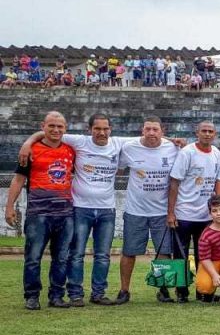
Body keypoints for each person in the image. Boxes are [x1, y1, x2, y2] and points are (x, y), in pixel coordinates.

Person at [16, 113, 133, 306]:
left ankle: (98, 293)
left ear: (110, 130)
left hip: (106, 209)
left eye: (105, 129)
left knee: (103, 255)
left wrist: (172, 140)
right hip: (80, 208)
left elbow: (148, 137)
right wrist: (28, 142)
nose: (101, 132)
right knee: (76, 254)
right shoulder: (79, 141)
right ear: (89, 130)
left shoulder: (118, 143)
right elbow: (48, 132)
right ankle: (75, 294)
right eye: (97, 129)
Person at [6, 112, 75, 310]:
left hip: (65, 214)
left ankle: (56, 296)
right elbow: (18, 180)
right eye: (51, 126)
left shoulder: (71, 150)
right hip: (38, 214)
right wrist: (9, 207)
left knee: (61, 258)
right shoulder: (30, 151)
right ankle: (32, 296)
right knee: (33, 257)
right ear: (42, 126)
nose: (55, 130)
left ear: (66, 128)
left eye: (60, 127)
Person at [117, 116, 180, 304]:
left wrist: (171, 211)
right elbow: (119, 170)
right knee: (129, 252)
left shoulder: (173, 148)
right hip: (135, 210)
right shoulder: (129, 148)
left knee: (164, 253)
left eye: (155, 129)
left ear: (163, 131)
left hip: (161, 211)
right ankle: (124, 290)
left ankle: (163, 290)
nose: (151, 133)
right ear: (142, 130)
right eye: (148, 129)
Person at [168, 120, 220, 302]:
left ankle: (202, 290)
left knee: (204, 255)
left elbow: (215, 183)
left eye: (210, 131)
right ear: (197, 133)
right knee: (180, 254)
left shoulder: (216, 153)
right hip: (184, 212)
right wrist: (171, 212)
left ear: (215, 134)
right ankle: (181, 291)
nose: (207, 134)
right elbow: (174, 182)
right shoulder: (187, 153)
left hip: (205, 215)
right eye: (204, 131)